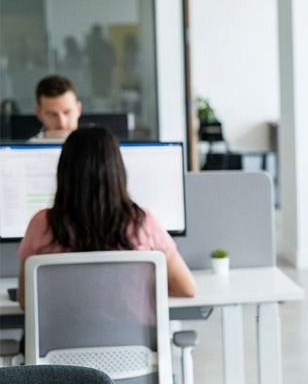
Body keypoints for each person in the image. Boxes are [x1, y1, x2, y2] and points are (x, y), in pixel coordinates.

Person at [17, 125, 196, 309]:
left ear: (64, 173)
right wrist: (139, 292)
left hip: (61, 338)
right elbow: (186, 288)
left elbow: (24, 300)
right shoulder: (141, 223)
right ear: (117, 171)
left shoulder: (41, 224)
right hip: (131, 337)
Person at [33, 75, 82, 141]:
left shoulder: (97, 147)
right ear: (39, 114)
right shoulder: (26, 150)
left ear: (78, 109)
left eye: (67, 112)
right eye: (52, 115)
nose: (62, 123)